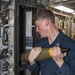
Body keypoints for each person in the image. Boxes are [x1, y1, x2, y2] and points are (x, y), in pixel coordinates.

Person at [28, 9, 75, 75]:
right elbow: (37, 69)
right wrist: (32, 62)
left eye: (38, 26)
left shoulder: (71, 46)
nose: (36, 30)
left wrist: (59, 61)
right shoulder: (40, 44)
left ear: (46, 22)